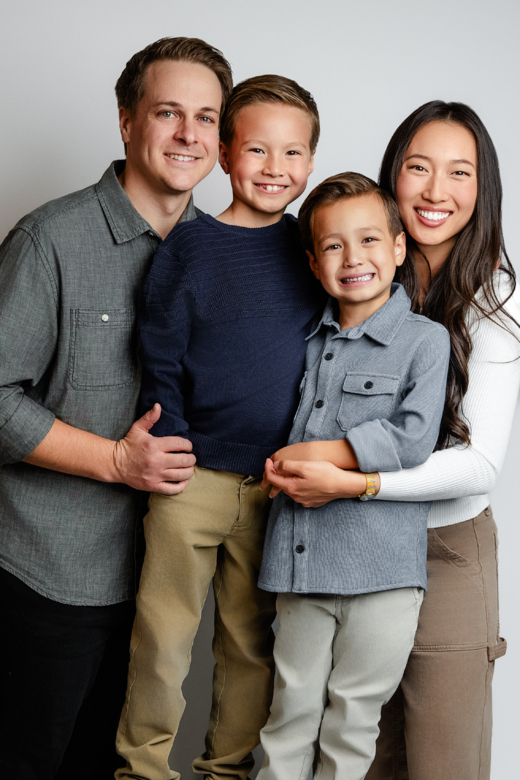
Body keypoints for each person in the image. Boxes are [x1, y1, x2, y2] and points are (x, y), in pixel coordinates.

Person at [263, 101, 520, 780]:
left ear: (483, 188)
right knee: (358, 751)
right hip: (343, 540)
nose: (436, 190)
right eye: (418, 167)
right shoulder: (360, 267)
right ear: (392, 176)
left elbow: (480, 465)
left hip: (444, 547)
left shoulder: (494, 298)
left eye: (459, 172)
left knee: (442, 760)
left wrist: (352, 479)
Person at [0, 36, 232, 780]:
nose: (188, 134)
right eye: (168, 112)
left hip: (163, 585)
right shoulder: (50, 240)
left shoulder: (225, 257)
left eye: (206, 117)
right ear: (128, 121)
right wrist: (114, 461)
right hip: (47, 576)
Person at [114, 74, 324, 780]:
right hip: (191, 478)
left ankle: (227, 770)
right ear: (227, 155)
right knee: (162, 637)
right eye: (257, 150)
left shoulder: (312, 251)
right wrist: (171, 438)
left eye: (292, 153)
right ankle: (141, 769)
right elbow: (159, 352)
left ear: (311, 162)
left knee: (249, 642)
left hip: (275, 485)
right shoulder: (190, 248)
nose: (274, 168)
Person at [256, 172, 450, 780]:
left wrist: (320, 452)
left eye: (368, 240)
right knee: (288, 716)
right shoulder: (303, 339)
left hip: (383, 575)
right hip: (301, 565)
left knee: (352, 723)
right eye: (334, 246)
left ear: (399, 247)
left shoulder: (426, 341)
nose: (353, 258)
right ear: (314, 264)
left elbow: (414, 438)